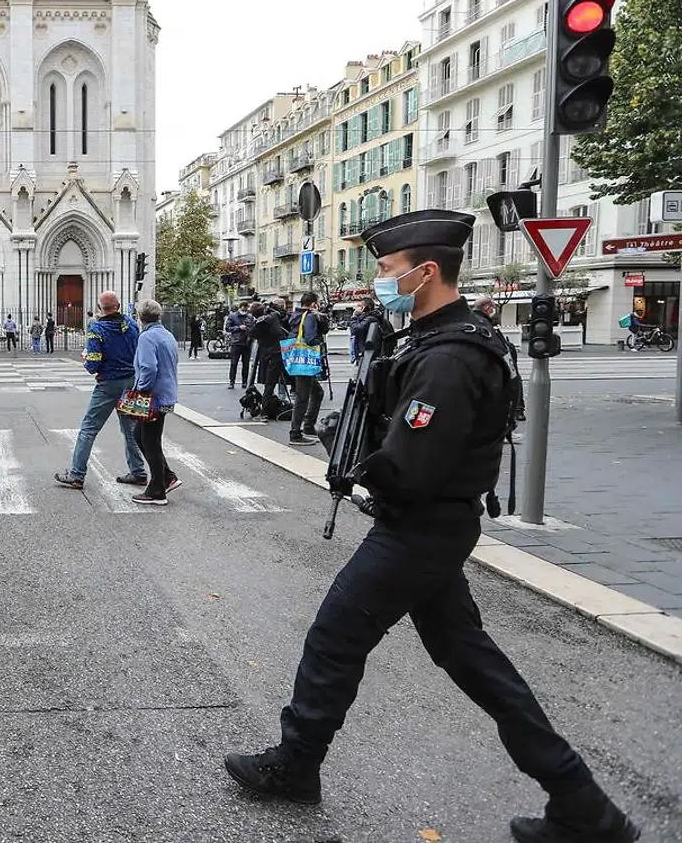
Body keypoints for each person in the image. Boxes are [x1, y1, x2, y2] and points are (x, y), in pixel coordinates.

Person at [223, 209, 639, 843]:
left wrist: (356, 461)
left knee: (335, 637)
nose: (380, 281)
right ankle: (583, 805)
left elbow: (413, 467)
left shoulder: (449, 356)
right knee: (474, 663)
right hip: (436, 527)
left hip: (419, 529)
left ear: (425, 272)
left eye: (388, 269)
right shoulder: (437, 339)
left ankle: (296, 764)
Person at [54, 291, 148, 490]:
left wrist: (87, 361)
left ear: (100, 308)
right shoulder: (132, 324)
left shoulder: (97, 328)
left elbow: (93, 363)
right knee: (130, 430)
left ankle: (77, 474)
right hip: (131, 382)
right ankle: (139, 472)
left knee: (89, 428)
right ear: (119, 306)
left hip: (108, 384)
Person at [129, 300, 180, 506]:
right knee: (140, 435)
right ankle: (167, 476)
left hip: (153, 397)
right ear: (159, 315)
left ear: (140, 317)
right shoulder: (167, 335)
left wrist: (141, 389)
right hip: (166, 393)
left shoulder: (147, 337)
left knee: (150, 441)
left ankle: (158, 490)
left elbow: (149, 367)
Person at [286, 292, 327, 447]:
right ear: (314, 303)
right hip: (305, 359)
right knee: (302, 397)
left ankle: (308, 426)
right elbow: (310, 338)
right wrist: (320, 346)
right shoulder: (309, 317)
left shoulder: (295, 315)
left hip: (295, 357)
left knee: (317, 392)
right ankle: (295, 433)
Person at [475, 297, 525, 421]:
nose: (496, 310)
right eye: (494, 307)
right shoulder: (485, 325)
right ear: (487, 308)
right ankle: (518, 410)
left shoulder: (471, 322)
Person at [250, 301, 289, 420]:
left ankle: (264, 412)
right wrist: (269, 307)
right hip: (282, 351)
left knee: (269, 384)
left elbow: (251, 334)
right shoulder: (273, 316)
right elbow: (281, 313)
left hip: (270, 355)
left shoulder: (257, 326)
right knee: (286, 380)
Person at [349, 297, 393, 363]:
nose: (357, 308)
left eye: (360, 306)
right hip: (373, 352)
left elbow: (356, 330)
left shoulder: (370, 318)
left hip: (368, 351)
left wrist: (354, 317)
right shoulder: (378, 317)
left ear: (367, 307)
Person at [224, 304, 255, 390]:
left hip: (247, 342)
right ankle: (232, 381)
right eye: (245, 307)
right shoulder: (232, 316)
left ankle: (244, 382)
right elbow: (228, 328)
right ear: (241, 307)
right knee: (234, 363)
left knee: (246, 364)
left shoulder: (250, 316)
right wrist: (239, 328)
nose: (246, 309)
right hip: (236, 342)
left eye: (247, 307)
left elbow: (253, 327)